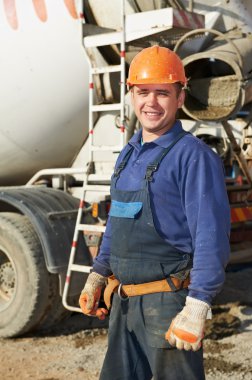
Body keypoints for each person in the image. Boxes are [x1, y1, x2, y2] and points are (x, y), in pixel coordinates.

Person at [79, 45, 230, 380]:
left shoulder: (194, 157)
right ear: (131, 95)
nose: (151, 102)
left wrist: (197, 305)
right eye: (143, 92)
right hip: (123, 301)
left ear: (180, 97)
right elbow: (117, 223)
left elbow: (210, 236)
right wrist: (98, 274)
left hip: (167, 306)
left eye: (162, 93)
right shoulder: (128, 154)